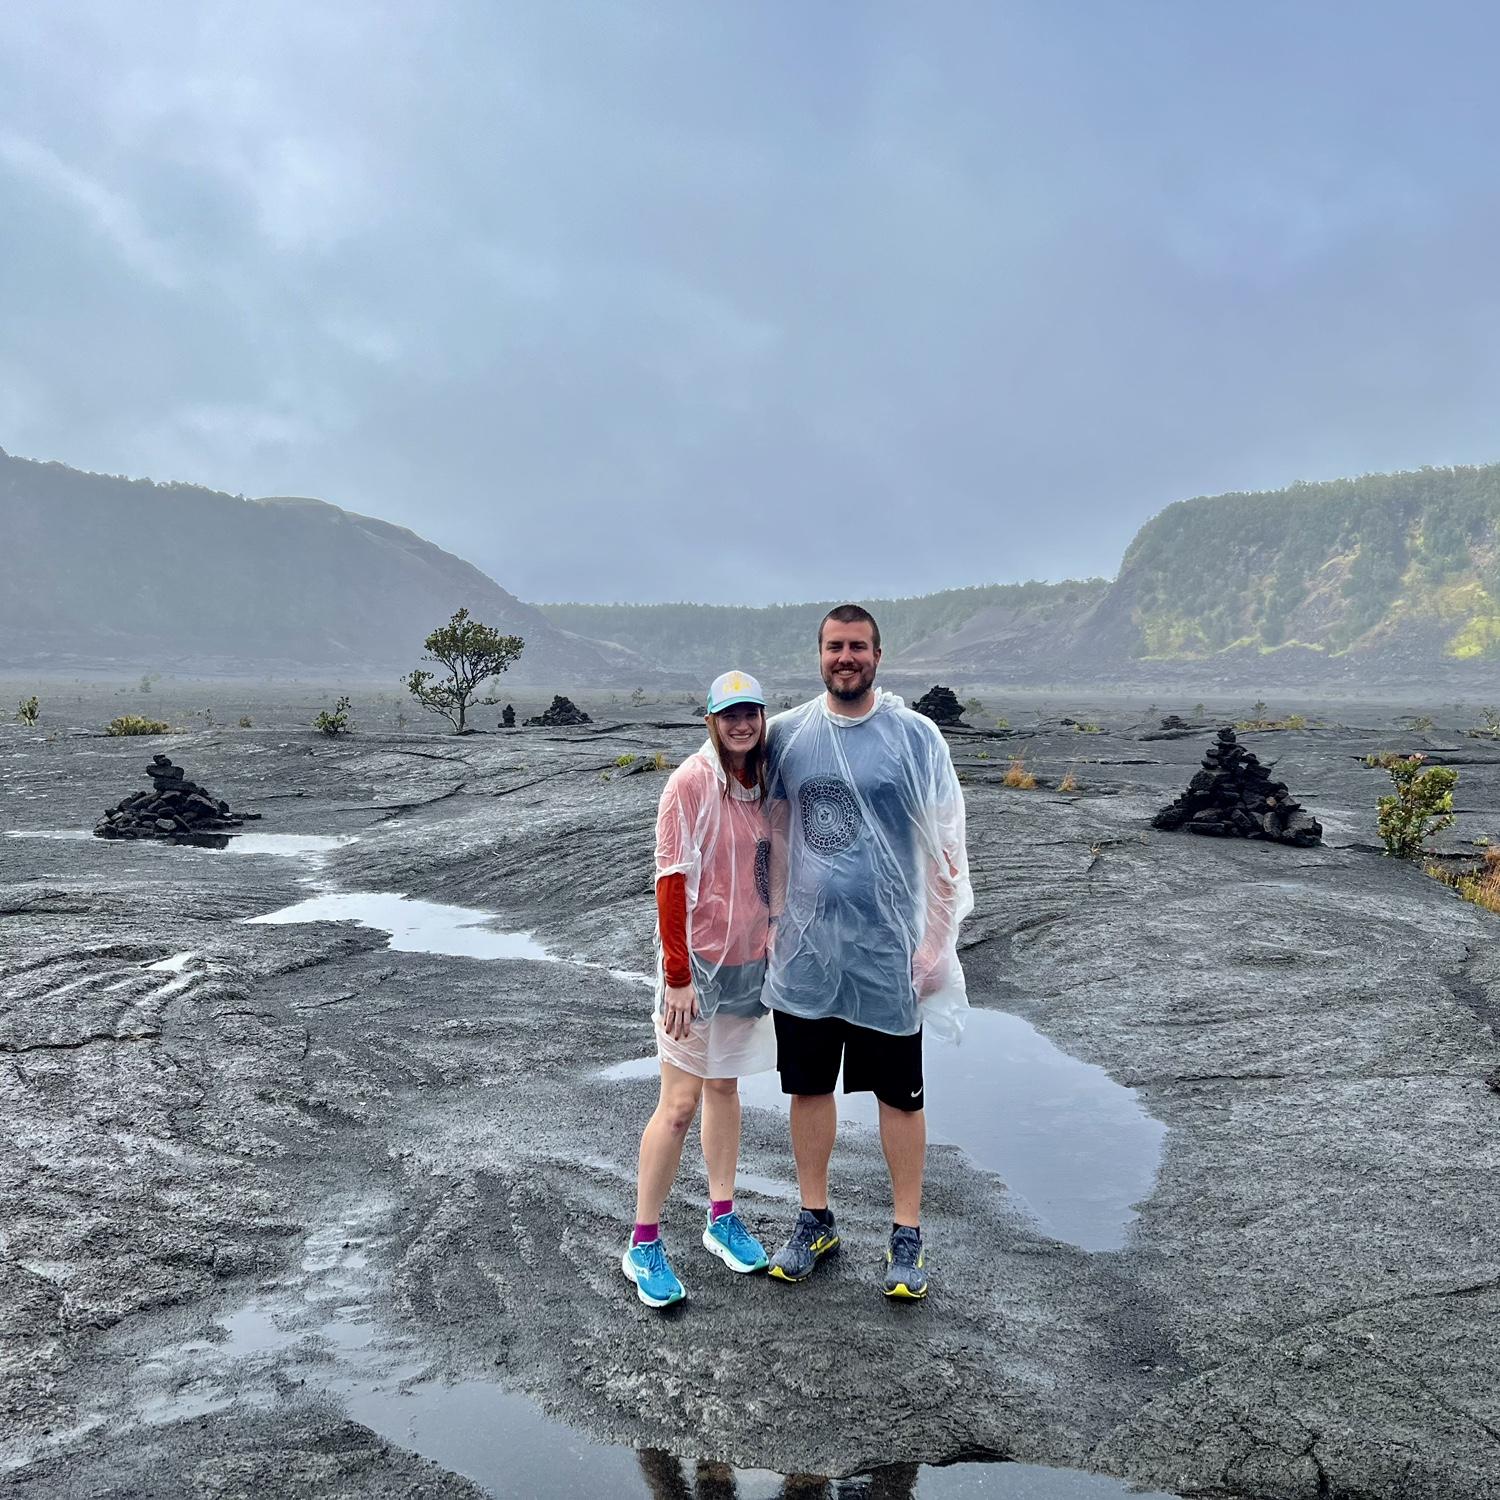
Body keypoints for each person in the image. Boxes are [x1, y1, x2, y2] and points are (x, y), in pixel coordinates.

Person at [762, 605, 971, 1299]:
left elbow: (947, 846)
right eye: (832, 646)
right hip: (807, 955)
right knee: (809, 1087)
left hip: (888, 952)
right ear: (817, 655)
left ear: (878, 655)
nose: (844, 657)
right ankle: (814, 1219)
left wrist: (938, 942)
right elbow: (766, 828)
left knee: (899, 1096)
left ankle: (906, 1233)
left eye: (856, 646)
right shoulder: (788, 736)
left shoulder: (914, 737)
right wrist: (768, 922)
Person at [623, 670, 777, 1308]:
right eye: (729, 715)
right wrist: (678, 978)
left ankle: (720, 1217)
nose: (741, 725)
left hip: (750, 960)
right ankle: (644, 1242)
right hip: (696, 967)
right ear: (711, 721)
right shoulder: (690, 783)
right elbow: (671, 880)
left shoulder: (763, 783)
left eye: (752, 714)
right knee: (679, 1103)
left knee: (725, 1086)